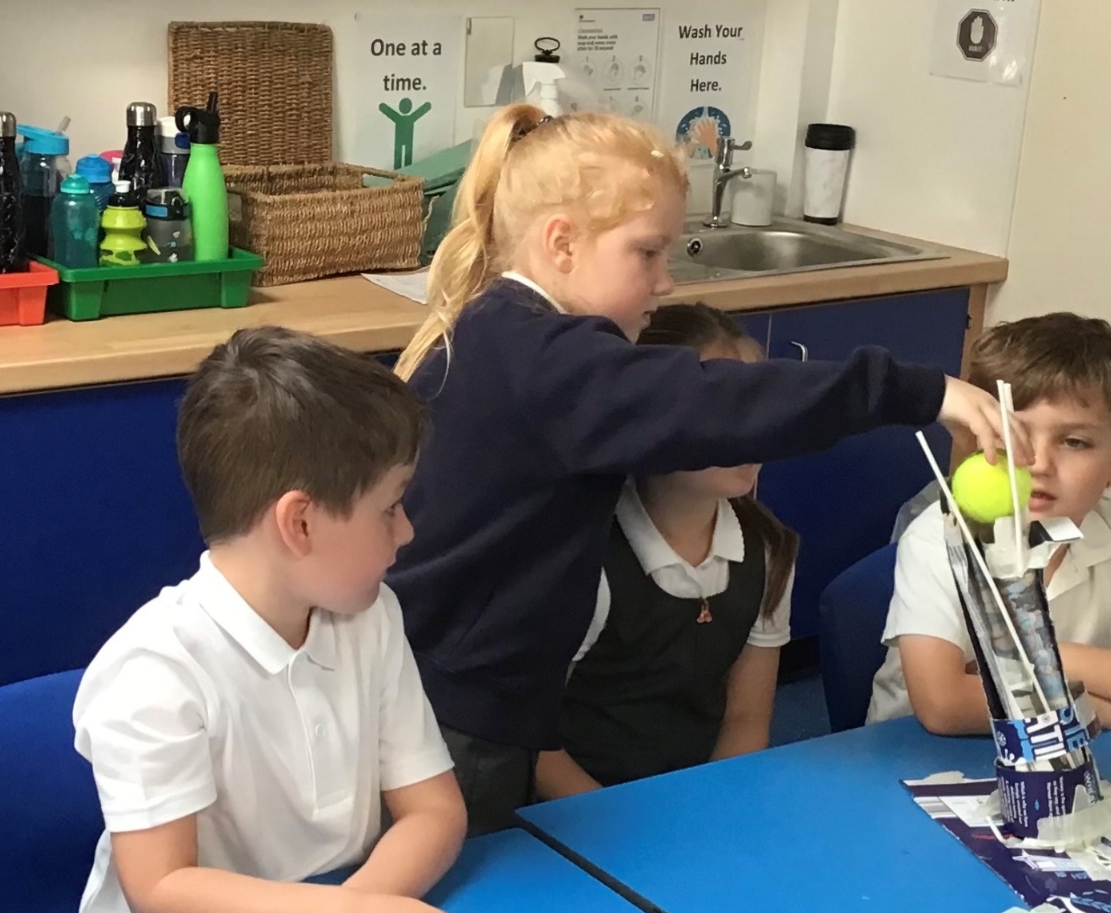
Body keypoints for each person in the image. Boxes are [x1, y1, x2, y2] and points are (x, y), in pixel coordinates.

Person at [388, 102, 1029, 834]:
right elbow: (718, 401)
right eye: (647, 253)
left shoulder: (507, 333)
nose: (665, 281)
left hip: (457, 692)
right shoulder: (547, 360)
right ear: (561, 243)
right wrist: (921, 391)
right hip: (456, 708)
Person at [73, 327, 496, 913]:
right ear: (299, 523)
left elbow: (436, 811)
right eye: (389, 507)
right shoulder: (153, 670)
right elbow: (161, 889)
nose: (407, 530)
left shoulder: (370, 616)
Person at [866, 312, 1111, 733]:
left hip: (1062, 748)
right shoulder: (937, 537)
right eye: (1011, 435)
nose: (1038, 463)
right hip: (918, 755)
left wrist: (1042, 655)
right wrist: (1097, 706)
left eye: (1074, 442)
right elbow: (944, 706)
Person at [536, 304, 801, 795]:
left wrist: (710, 808)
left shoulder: (767, 548)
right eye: (721, 411)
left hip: (692, 804)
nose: (754, 431)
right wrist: (621, 829)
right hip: (580, 810)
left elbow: (745, 720)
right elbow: (531, 744)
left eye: (759, 405)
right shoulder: (586, 558)